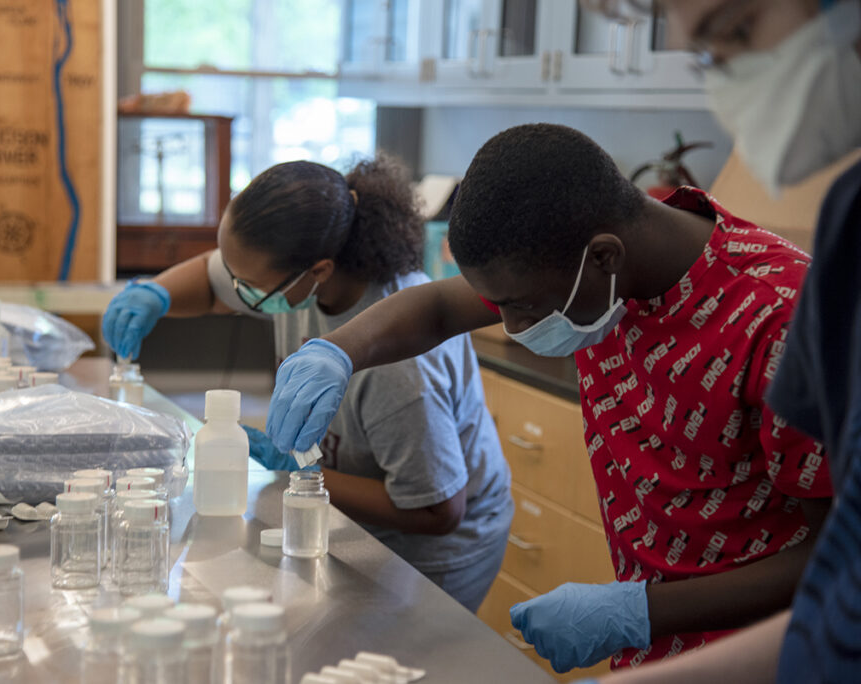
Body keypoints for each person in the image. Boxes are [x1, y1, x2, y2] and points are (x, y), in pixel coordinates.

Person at [264, 124, 834, 672]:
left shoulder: (783, 322)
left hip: (764, 652)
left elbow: (837, 558)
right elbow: (437, 308)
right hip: (655, 637)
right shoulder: (578, 265)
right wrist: (336, 352)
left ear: (605, 257)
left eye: (524, 308)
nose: (511, 326)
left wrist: (639, 611)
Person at [579, 0, 861, 682]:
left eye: (734, 30)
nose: (724, 83)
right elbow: (844, 580)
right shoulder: (849, 223)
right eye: (704, 56)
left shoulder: (770, 304)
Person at [101, 157, 513, 612]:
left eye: (248, 287)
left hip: (435, 550)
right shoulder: (298, 277)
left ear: (317, 271)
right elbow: (213, 277)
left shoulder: (401, 369)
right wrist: (157, 293)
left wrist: (303, 470)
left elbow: (438, 510)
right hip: (354, 509)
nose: (235, 294)